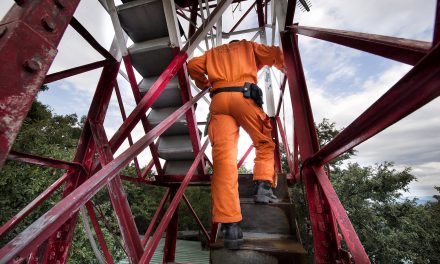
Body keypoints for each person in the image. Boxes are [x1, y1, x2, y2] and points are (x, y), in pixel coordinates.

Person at [187, 39, 285, 249]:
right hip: (244, 96)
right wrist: (285, 67)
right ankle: (263, 187)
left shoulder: (213, 52)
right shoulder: (248, 46)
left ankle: (231, 227)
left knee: (223, 162)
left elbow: (192, 65)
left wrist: (204, 83)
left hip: (219, 102)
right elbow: (275, 53)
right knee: (264, 142)